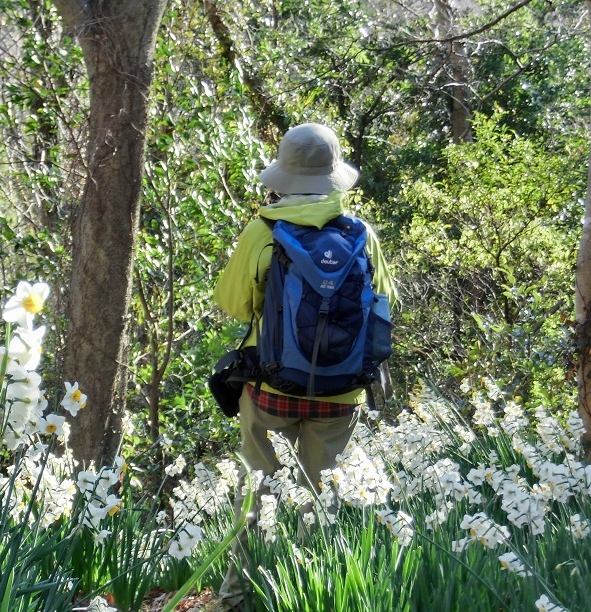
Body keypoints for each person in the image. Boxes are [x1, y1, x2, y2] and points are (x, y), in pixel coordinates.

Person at [213, 122, 398, 608]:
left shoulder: (263, 231)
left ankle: (239, 598)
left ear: (284, 174)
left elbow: (234, 304)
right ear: (335, 177)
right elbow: (385, 304)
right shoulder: (361, 234)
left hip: (271, 389)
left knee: (259, 493)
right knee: (322, 498)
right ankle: (309, 595)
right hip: (341, 396)